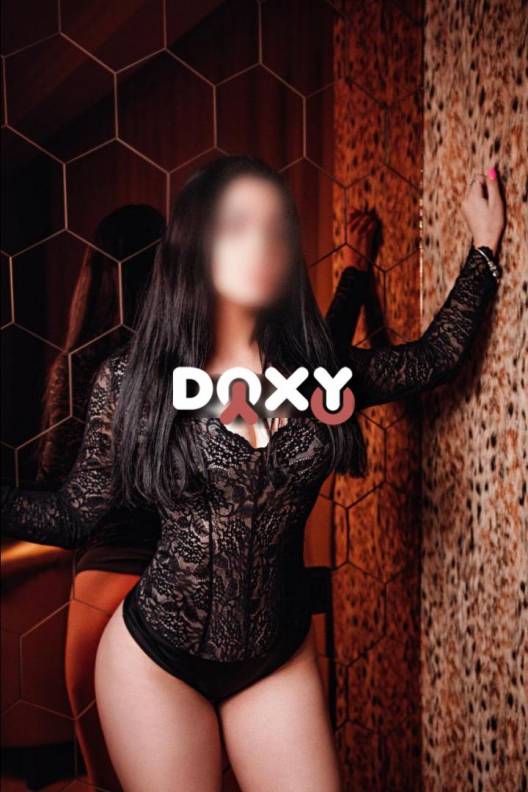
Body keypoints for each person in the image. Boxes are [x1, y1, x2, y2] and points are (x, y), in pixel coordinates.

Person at [1, 156, 504, 792]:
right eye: (238, 225)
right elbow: (74, 514)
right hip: (155, 663)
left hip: (276, 657)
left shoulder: (322, 375)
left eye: (275, 228)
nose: (262, 243)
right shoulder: (132, 380)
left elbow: (435, 358)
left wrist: (484, 246)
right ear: (194, 243)